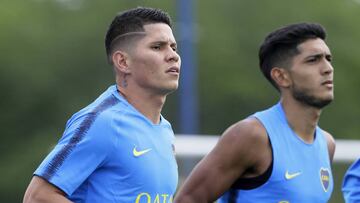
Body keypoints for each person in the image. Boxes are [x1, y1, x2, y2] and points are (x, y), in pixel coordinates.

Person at [23, 7, 181, 203]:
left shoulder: (165, 130)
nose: (173, 55)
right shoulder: (103, 122)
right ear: (123, 62)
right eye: (157, 47)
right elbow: (37, 197)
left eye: (173, 47)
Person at [174, 22, 336, 203]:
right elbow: (187, 199)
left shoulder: (327, 144)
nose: (327, 68)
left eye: (328, 59)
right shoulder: (252, 135)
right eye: (313, 60)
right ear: (281, 76)